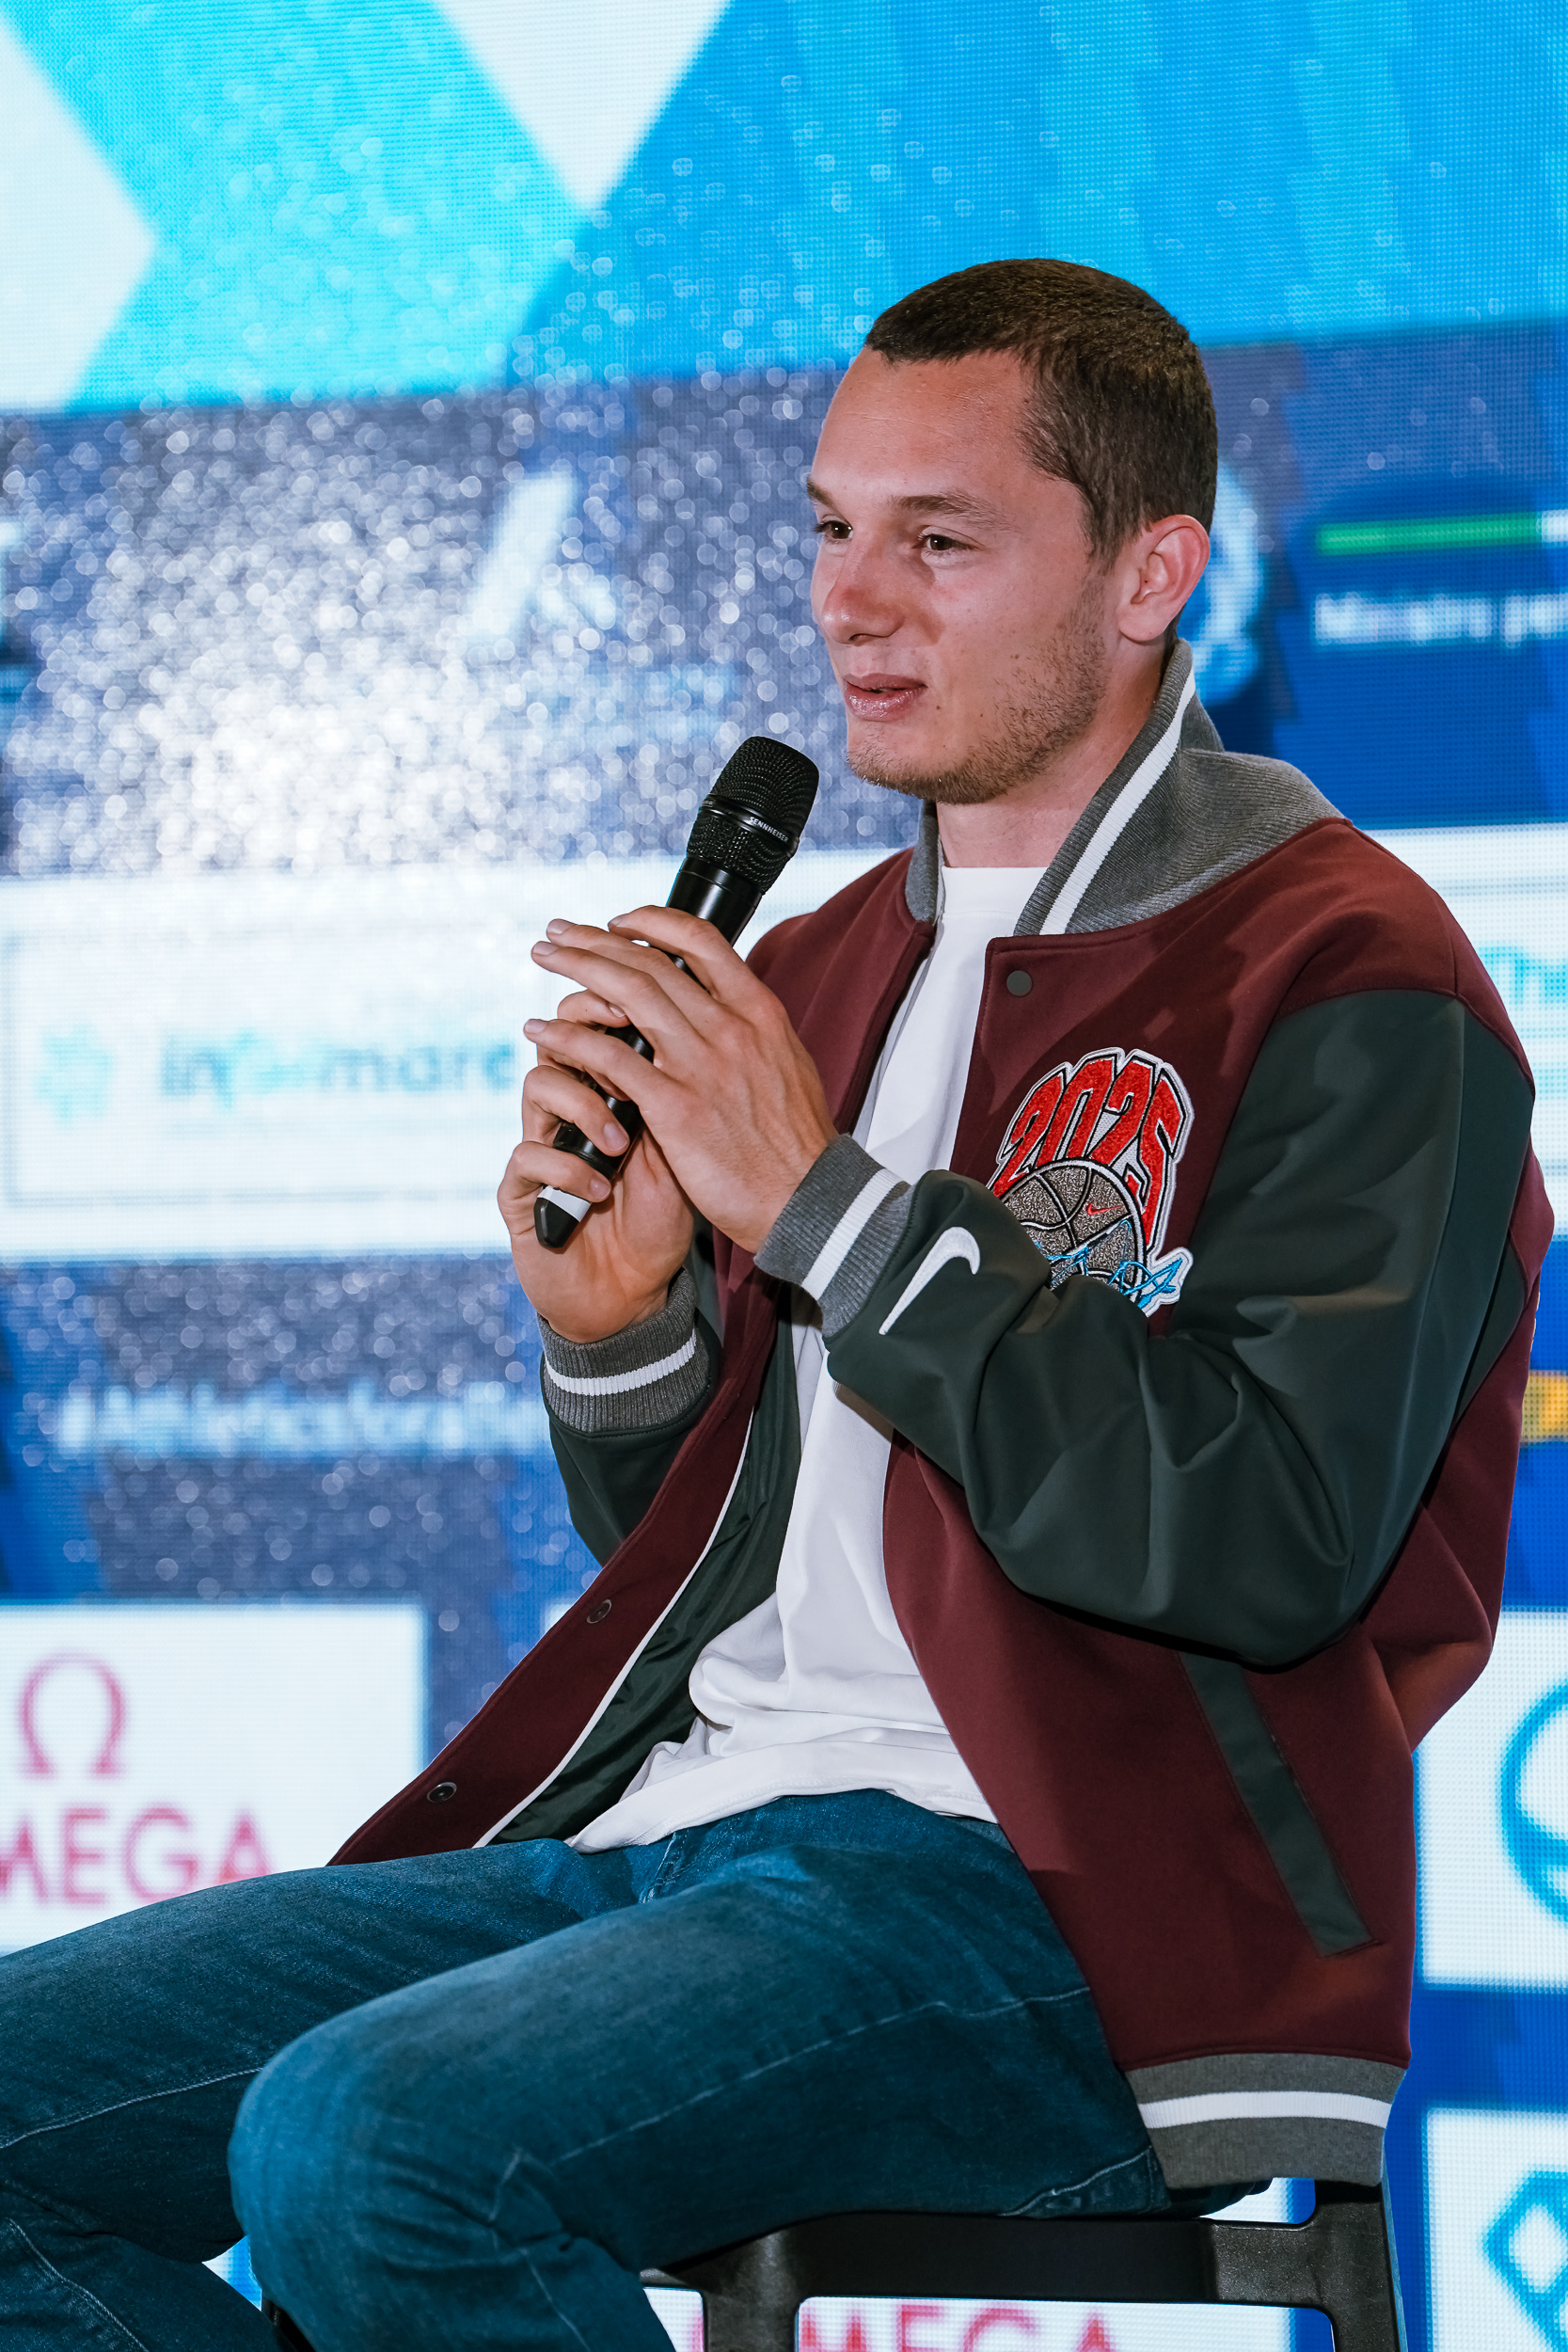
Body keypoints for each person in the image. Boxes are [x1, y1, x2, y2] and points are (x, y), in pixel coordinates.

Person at [0, 260, 1546, 2352]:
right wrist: (623, 1330)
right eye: (830, 527)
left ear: (1150, 574)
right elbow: (737, 1555)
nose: (851, 599)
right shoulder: (813, 966)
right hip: (678, 1839)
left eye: (940, 540)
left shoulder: (1347, 970)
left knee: (372, 2144)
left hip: (1067, 1914)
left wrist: (834, 1208)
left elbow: (1269, 1536)